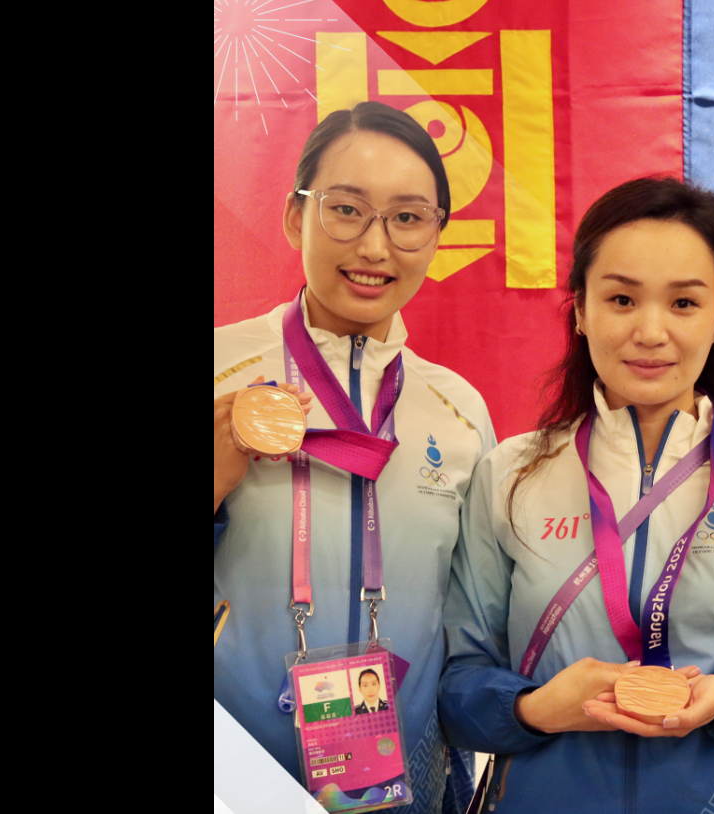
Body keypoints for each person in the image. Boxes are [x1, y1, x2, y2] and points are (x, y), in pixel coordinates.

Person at [439, 178, 714, 813]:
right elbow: (456, 688)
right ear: (580, 310)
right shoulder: (509, 476)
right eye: (622, 299)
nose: (651, 331)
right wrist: (537, 708)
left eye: (683, 303)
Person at [214, 101, 496, 812]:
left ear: (436, 235)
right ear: (295, 216)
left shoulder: (459, 413)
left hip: (401, 786)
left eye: (407, 218)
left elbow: (476, 627)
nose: (375, 246)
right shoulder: (220, 371)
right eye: (346, 210)